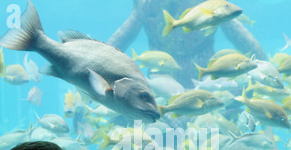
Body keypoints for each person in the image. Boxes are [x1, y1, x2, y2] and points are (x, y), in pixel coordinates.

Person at [108, 0, 266, 88]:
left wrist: (264, 70)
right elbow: (122, 37)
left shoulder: (212, 4)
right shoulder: (146, 4)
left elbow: (240, 35)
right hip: (162, 74)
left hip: (207, 74)